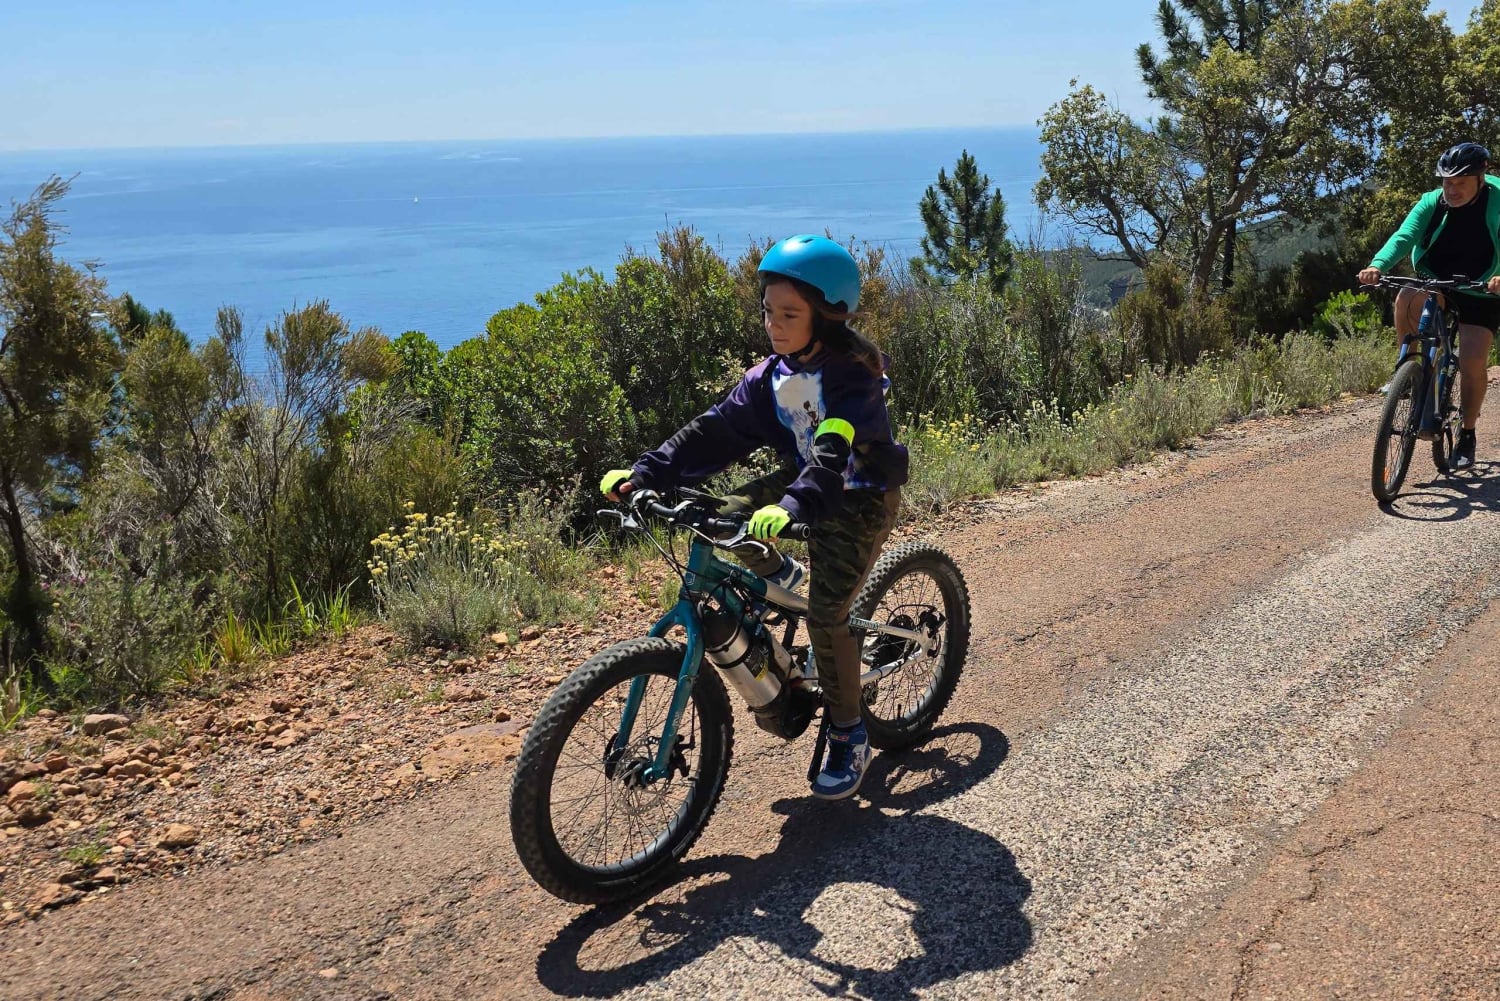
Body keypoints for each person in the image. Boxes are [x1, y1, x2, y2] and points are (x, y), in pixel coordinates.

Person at [599, 234, 908, 800]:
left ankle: (849, 731)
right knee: (721, 514)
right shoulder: (768, 377)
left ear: (827, 315)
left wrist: (793, 505)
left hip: (857, 494)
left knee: (828, 616)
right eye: (769, 311)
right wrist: (646, 475)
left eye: (791, 313)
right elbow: (714, 431)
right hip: (800, 487)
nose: (775, 323)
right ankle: (781, 576)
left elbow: (832, 450)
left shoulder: (852, 378)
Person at [1359, 142, 1500, 469]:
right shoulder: (1431, 203)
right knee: (1406, 296)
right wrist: (1377, 265)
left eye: (1460, 183)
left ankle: (1467, 434)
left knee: (1473, 361)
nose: (1451, 189)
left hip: (1483, 286)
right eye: (1446, 182)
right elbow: (1404, 236)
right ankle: (1411, 372)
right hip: (1436, 278)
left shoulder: (1497, 198)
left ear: (1481, 178)